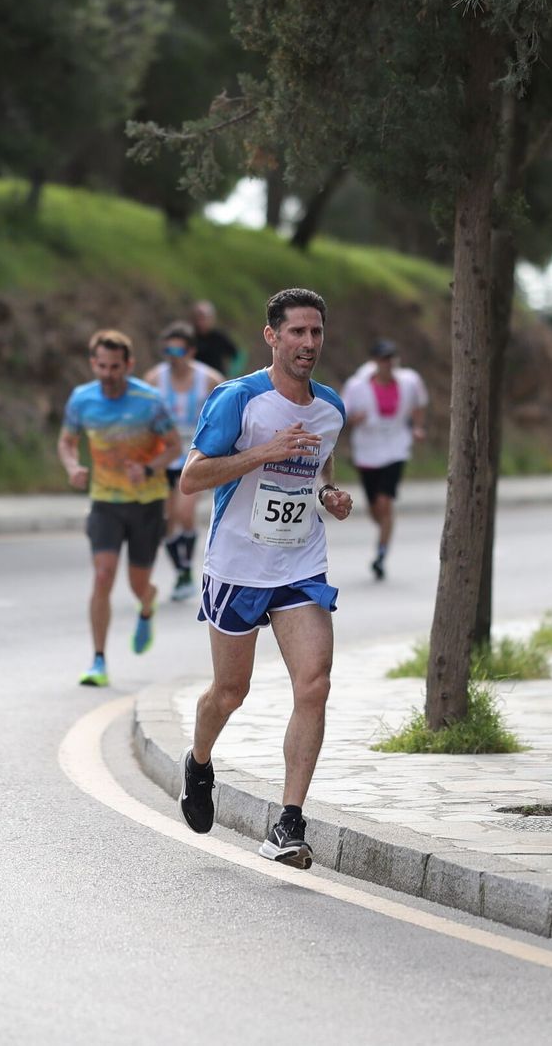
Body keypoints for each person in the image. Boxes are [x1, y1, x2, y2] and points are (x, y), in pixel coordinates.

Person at [175, 287, 353, 870]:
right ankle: (199, 763)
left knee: (315, 683)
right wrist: (264, 451)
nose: (308, 343)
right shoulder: (239, 399)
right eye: (297, 332)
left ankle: (289, 822)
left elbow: (319, 466)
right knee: (231, 692)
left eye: (316, 333)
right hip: (238, 566)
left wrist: (329, 494)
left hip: (300, 563)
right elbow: (193, 478)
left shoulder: (330, 407)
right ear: (271, 335)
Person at [57, 330, 181, 686]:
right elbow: (67, 441)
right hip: (105, 501)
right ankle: (98, 661)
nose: (108, 374)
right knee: (102, 575)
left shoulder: (149, 400)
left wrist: (148, 468)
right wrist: (72, 467)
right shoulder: (82, 399)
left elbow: (173, 446)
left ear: (128, 365)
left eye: (115, 367)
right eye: (101, 366)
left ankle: (147, 603)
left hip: (146, 502)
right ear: (92, 363)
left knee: (137, 583)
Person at [142, 322, 224, 602]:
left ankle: (187, 571)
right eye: (167, 349)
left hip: (195, 455)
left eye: (178, 348)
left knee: (185, 513)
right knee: (165, 519)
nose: (172, 354)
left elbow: (224, 417)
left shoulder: (210, 379)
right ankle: (181, 571)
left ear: (191, 350)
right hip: (163, 456)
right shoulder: (154, 379)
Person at [342, 339, 428, 580]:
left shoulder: (410, 381)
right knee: (374, 508)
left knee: (385, 502)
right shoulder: (357, 386)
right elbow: (343, 413)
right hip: (367, 451)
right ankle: (385, 527)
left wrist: (418, 427)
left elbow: (420, 404)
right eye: (383, 359)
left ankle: (381, 554)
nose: (388, 364)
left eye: (392, 359)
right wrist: (354, 419)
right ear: (375, 362)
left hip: (396, 448)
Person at [190, 300, 242, 375]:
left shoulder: (219, 337)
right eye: (198, 318)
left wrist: (233, 373)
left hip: (215, 379)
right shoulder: (190, 336)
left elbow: (238, 354)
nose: (200, 322)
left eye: (203, 318)